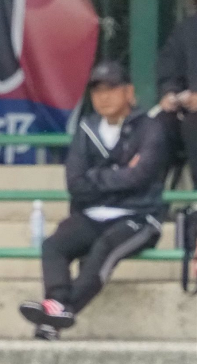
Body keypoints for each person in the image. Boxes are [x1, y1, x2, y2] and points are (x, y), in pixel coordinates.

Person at [19, 61, 166, 341]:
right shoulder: (87, 129)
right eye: (97, 91)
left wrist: (96, 179)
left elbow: (141, 177)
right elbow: (75, 184)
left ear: (129, 92)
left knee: (103, 249)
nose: (104, 96)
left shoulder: (150, 127)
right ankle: (58, 303)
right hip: (92, 214)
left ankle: (58, 313)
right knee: (54, 245)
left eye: (112, 88)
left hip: (139, 216)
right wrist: (119, 175)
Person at [155, 0, 197, 180]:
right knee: (159, 125)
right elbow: (170, 69)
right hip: (188, 113)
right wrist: (170, 93)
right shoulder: (187, 29)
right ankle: (150, 206)